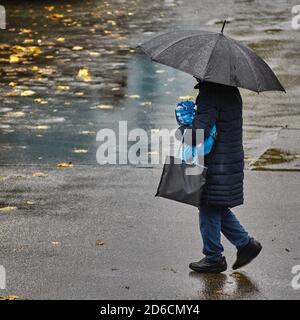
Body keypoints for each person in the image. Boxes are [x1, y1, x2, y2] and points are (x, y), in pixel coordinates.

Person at [183, 80, 262, 273]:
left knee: (208, 205)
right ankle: (245, 244)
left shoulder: (210, 94)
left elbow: (197, 134)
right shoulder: (230, 90)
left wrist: (184, 124)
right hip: (229, 158)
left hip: (216, 162)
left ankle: (213, 257)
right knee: (216, 205)